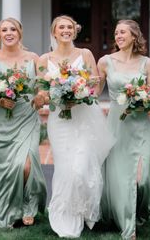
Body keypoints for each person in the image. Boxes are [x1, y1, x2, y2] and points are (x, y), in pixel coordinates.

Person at [34, 15, 115, 238]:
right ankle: (64, 215)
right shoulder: (44, 59)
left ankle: (83, 210)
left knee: (81, 166)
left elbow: (96, 85)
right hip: (59, 120)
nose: (66, 30)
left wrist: (81, 95)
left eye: (69, 27)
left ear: (75, 31)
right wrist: (54, 98)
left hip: (84, 117)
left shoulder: (85, 54)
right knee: (64, 167)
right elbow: (42, 91)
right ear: (54, 31)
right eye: (61, 27)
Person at [0, 17, 47, 228]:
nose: (9, 33)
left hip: (26, 116)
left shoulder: (34, 58)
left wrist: (41, 96)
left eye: (13, 30)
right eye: (4, 30)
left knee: (25, 165)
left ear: (20, 33)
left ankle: (28, 204)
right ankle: (5, 205)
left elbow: (43, 86)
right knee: (4, 166)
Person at [97, 20, 150, 240]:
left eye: (123, 32)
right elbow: (95, 92)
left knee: (143, 179)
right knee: (121, 177)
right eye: (116, 33)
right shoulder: (105, 62)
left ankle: (137, 212)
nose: (118, 36)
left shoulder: (147, 63)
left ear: (134, 36)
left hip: (140, 124)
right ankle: (127, 225)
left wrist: (144, 100)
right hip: (116, 124)